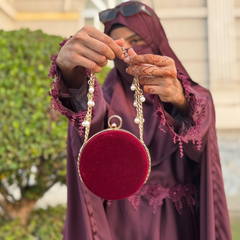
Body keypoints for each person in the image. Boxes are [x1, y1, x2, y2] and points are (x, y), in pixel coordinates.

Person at [49, 1, 232, 240]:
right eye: (119, 45)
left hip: (179, 225)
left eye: (136, 40)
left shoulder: (193, 96)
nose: (129, 52)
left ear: (156, 41)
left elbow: (200, 141)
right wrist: (71, 72)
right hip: (121, 225)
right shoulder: (105, 99)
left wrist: (178, 97)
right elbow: (89, 125)